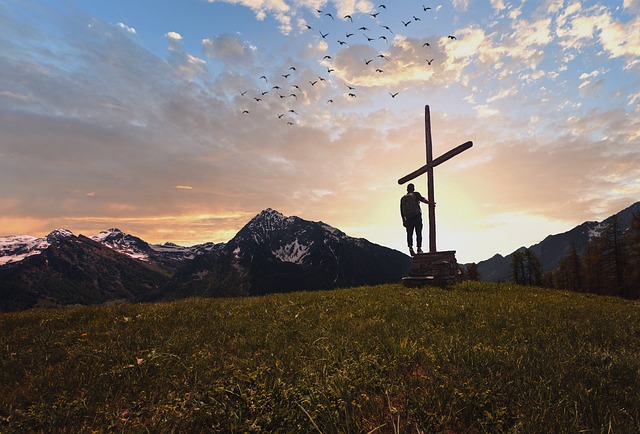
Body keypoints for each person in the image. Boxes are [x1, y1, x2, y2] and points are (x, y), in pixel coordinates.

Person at [400, 183, 433, 256]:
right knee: (418, 233)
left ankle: (410, 248)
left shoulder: (403, 198)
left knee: (409, 234)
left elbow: (402, 210)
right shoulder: (416, 194)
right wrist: (430, 203)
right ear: (413, 189)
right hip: (417, 217)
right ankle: (419, 248)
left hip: (408, 219)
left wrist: (403, 220)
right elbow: (422, 199)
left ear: (407, 189)